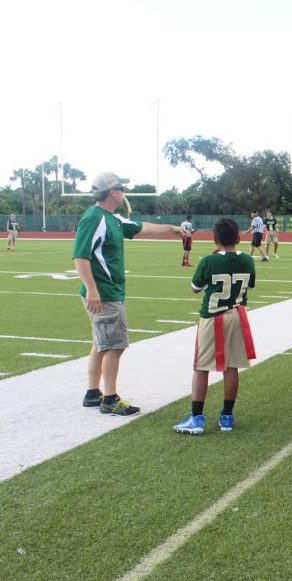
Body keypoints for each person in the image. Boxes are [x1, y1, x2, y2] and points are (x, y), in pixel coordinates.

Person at [74, 172, 184, 415]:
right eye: (121, 188)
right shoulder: (95, 218)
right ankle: (110, 398)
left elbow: (140, 227)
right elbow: (80, 256)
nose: (124, 192)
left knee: (101, 343)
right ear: (112, 192)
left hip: (106, 291)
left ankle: (93, 393)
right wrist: (92, 289)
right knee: (115, 346)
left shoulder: (111, 218)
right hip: (104, 293)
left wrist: (170, 228)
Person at [174, 218, 256, 434]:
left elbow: (195, 287)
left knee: (201, 367)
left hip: (212, 317)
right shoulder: (248, 260)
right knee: (231, 366)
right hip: (237, 314)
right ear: (238, 238)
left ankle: (196, 418)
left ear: (214, 238)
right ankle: (227, 416)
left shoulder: (208, 261)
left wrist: (213, 258)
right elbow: (250, 285)